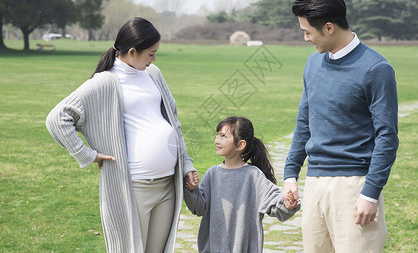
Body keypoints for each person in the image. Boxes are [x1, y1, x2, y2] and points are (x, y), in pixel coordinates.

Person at [46, 17, 198, 253]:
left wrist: (186, 163)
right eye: (151, 53)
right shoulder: (105, 82)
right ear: (132, 51)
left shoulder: (154, 74)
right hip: (133, 188)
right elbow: (57, 118)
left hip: (168, 184)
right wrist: (88, 154)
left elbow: (174, 122)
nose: (154, 59)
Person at [283, 0, 399, 253]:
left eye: (307, 32)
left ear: (329, 27)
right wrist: (291, 175)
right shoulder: (313, 64)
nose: (305, 39)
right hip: (314, 184)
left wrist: (370, 193)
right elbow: (304, 122)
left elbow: (387, 137)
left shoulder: (376, 69)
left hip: (354, 185)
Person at [184, 116, 300, 253]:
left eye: (223, 136)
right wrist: (192, 190)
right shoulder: (212, 174)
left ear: (240, 145)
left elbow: (274, 201)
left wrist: (287, 203)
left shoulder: (253, 176)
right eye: (217, 135)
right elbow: (199, 208)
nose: (217, 141)